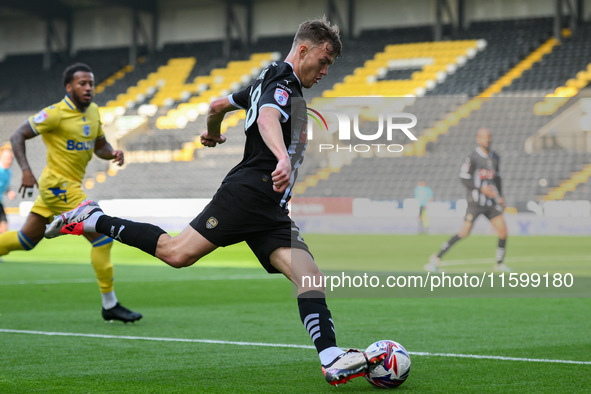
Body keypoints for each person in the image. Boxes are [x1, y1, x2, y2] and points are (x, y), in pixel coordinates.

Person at [45, 18, 386, 386]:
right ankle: (94, 218)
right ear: (304, 49)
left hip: (270, 209)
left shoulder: (264, 80)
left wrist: (212, 132)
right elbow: (269, 116)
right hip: (249, 193)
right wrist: (281, 157)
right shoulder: (282, 81)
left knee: (309, 276)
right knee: (176, 253)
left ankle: (331, 357)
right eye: (324, 60)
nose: (325, 70)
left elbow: (218, 104)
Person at [2, 63, 142, 323]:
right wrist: (25, 171)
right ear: (69, 87)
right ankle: (110, 305)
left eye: (91, 83)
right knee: (102, 238)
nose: (88, 88)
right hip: (58, 186)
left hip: (62, 188)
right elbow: (17, 135)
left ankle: (63, 226)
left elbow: (99, 146)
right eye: (82, 83)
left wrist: (112, 152)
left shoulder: (93, 112)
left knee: (25, 241)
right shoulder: (55, 113)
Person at [425, 127, 510, 273]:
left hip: (490, 203)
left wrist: (500, 196)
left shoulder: (495, 157)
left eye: (488, 137)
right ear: (478, 139)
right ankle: (436, 257)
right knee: (464, 232)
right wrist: (480, 189)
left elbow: (497, 178)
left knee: (503, 231)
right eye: (484, 137)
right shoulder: (472, 157)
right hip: (475, 203)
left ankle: (499, 264)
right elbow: (464, 178)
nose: (487, 140)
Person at [0, 146, 16, 234]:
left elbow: (5, 186)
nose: (8, 160)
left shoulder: (8, 172)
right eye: (6, 158)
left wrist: (9, 192)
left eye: (10, 158)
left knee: (4, 227)